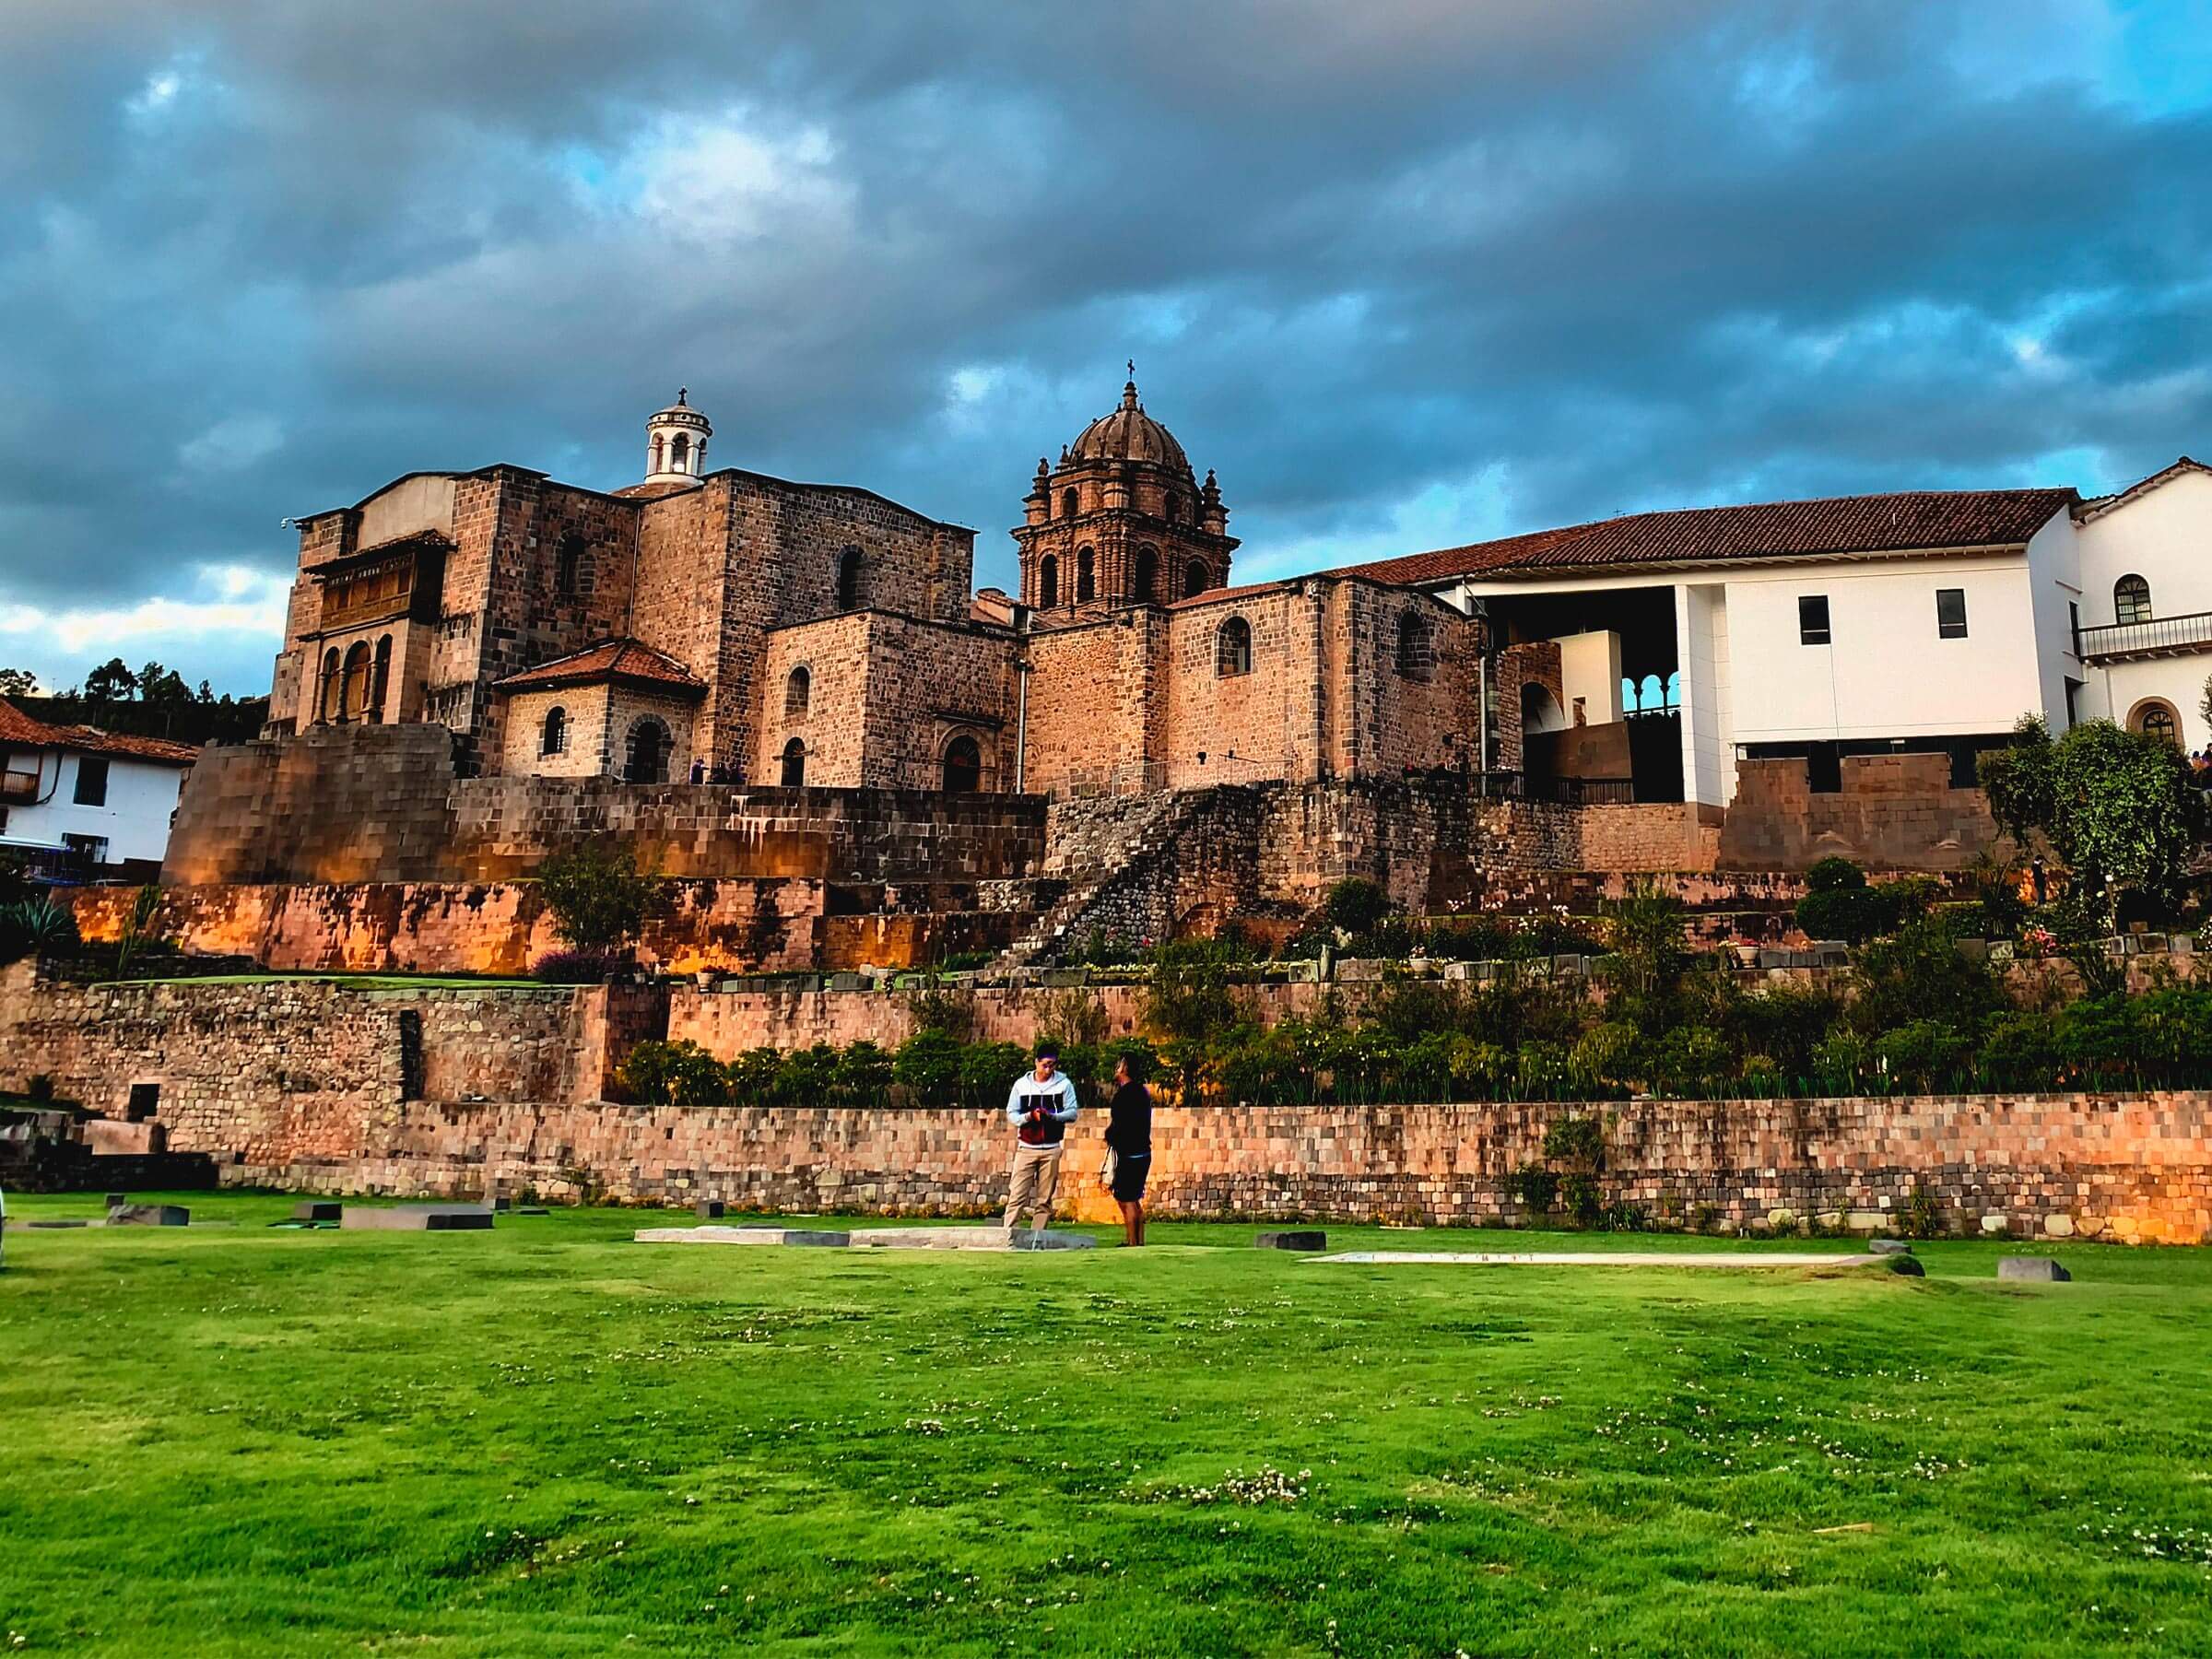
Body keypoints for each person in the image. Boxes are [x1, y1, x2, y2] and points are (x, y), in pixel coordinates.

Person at [1002, 1041, 1079, 1236]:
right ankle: (1009, 1233)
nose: (1048, 1069)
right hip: (1027, 1146)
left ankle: (1037, 1237)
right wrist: (1029, 1117)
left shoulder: (1064, 1084)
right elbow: (1012, 1114)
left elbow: (1072, 1113)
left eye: (1052, 1065)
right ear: (1036, 1063)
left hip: (1051, 1147)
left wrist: (1052, 1116)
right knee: (1017, 1194)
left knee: (1044, 1198)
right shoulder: (1021, 1085)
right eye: (1045, 1064)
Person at [1103, 1052, 1153, 1246]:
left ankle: (1133, 1243)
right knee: (1133, 1198)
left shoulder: (1124, 1096)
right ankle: (1137, 1240)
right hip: (1142, 1152)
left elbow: (1120, 1125)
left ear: (1124, 1068)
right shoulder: (1142, 1092)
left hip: (1130, 1153)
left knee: (1127, 1198)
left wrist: (1110, 1137)